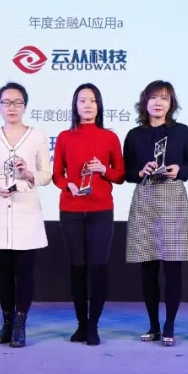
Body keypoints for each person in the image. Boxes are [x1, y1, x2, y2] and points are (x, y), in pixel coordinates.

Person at [122, 80, 188, 346]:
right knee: (148, 265)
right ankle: (153, 324)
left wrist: (180, 170)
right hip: (145, 197)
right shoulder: (134, 135)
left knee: (173, 265)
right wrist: (139, 171)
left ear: (171, 103)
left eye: (164, 98)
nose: (158, 102)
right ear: (145, 102)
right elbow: (126, 171)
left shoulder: (181, 131)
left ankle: (169, 325)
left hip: (173, 197)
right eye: (153, 97)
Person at [0, 82, 52, 348]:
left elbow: (46, 175)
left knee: (24, 271)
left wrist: (28, 173)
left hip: (26, 211)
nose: (12, 107)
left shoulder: (37, 136)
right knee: (3, 273)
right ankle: (7, 323)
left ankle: (20, 324)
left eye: (17, 102)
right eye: (6, 102)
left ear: (25, 106)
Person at [51, 83, 125, 346]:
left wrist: (103, 169)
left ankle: (94, 325)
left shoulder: (109, 137)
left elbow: (120, 175)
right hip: (71, 210)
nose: (87, 105)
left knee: (98, 268)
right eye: (82, 100)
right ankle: (81, 324)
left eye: (92, 100)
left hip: (101, 211)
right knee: (78, 269)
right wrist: (67, 184)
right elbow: (57, 174)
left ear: (99, 105)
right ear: (75, 105)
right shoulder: (64, 137)